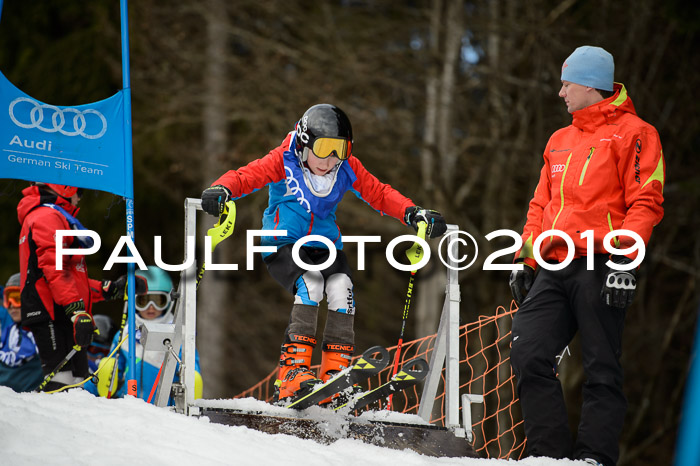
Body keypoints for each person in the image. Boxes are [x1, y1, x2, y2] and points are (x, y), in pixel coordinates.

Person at [201, 103, 447, 402]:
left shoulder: (346, 168)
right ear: (305, 142)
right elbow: (246, 176)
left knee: (342, 288)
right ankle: (292, 373)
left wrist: (412, 212)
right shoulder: (283, 159)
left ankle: (336, 372)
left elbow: (378, 192)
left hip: (326, 245)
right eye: (323, 148)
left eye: (340, 150)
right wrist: (222, 188)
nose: (330, 159)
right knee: (312, 283)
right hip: (283, 243)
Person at [508, 46, 665, 466]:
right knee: (528, 351)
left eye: (566, 83)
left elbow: (646, 202)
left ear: (590, 84)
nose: (560, 92)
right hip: (553, 264)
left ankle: (594, 458)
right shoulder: (559, 139)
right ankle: (548, 457)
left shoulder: (636, 133)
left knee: (601, 367)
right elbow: (539, 205)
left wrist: (625, 261)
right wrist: (526, 260)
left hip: (602, 265)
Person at [17, 182, 146, 391]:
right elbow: (55, 270)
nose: (80, 198)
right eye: (80, 191)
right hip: (51, 312)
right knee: (63, 382)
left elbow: (71, 279)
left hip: (61, 310)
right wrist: (76, 311)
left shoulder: (56, 217)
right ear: (64, 187)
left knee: (78, 383)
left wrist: (111, 288)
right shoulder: (46, 217)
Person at [86, 265, 203, 403]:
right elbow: (111, 371)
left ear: (169, 301)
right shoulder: (125, 334)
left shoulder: (178, 336)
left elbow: (191, 367)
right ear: (133, 301)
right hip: (130, 407)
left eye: (159, 300)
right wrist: (85, 392)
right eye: (144, 301)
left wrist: (192, 378)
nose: (151, 307)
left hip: (165, 409)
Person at [0, 273, 43, 392]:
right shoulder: (8, 332)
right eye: (8, 299)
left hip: (30, 401)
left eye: (17, 299)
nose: (12, 306)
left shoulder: (44, 333)